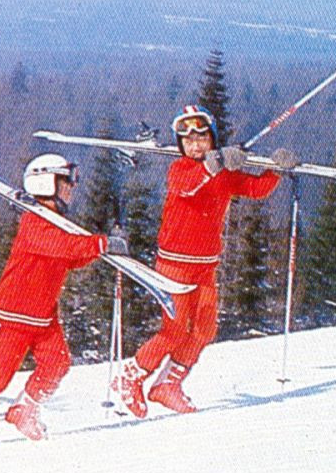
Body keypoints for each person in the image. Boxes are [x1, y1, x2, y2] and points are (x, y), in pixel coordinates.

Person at [0, 154, 120, 450]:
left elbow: (68, 258)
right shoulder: (35, 221)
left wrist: (99, 250)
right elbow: (63, 247)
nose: (72, 187)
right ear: (46, 182)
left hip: (44, 316)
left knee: (57, 363)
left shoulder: (56, 222)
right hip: (15, 316)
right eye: (66, 181)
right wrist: (99, 244)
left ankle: (25, 409)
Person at [116, 104, 296, 416]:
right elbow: (188, 186)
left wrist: (275, 171)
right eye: (188, 140)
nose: (195, 144)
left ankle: (168, 385)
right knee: (173, 331)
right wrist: (213, 166)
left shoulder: (224, 174)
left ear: (212, 138)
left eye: (202, 137)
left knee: (204, 329)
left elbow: (254, 188)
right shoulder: (181, 170)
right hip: (174, 264)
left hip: (205, 264)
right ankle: (130, 376)